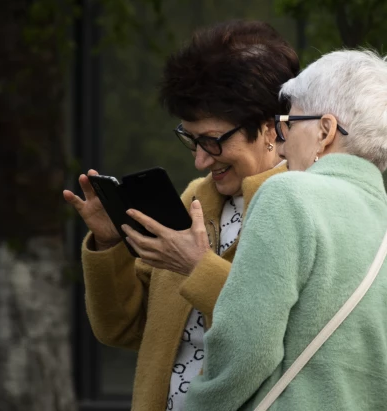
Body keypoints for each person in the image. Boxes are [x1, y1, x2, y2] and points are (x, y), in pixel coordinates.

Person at [62, 20, 300, 411]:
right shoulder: (195, 202)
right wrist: (110, 244)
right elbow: (121, 328)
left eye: (211, 141)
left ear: (269, 127)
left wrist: (197, 268)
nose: (200, 159)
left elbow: (290, 335)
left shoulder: (308, 209)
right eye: (190, 138)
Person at [184, 49, 387, 411]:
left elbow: (244, 348)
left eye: (289, 123)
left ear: (325, 130)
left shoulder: (288, 196)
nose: (281, 143)